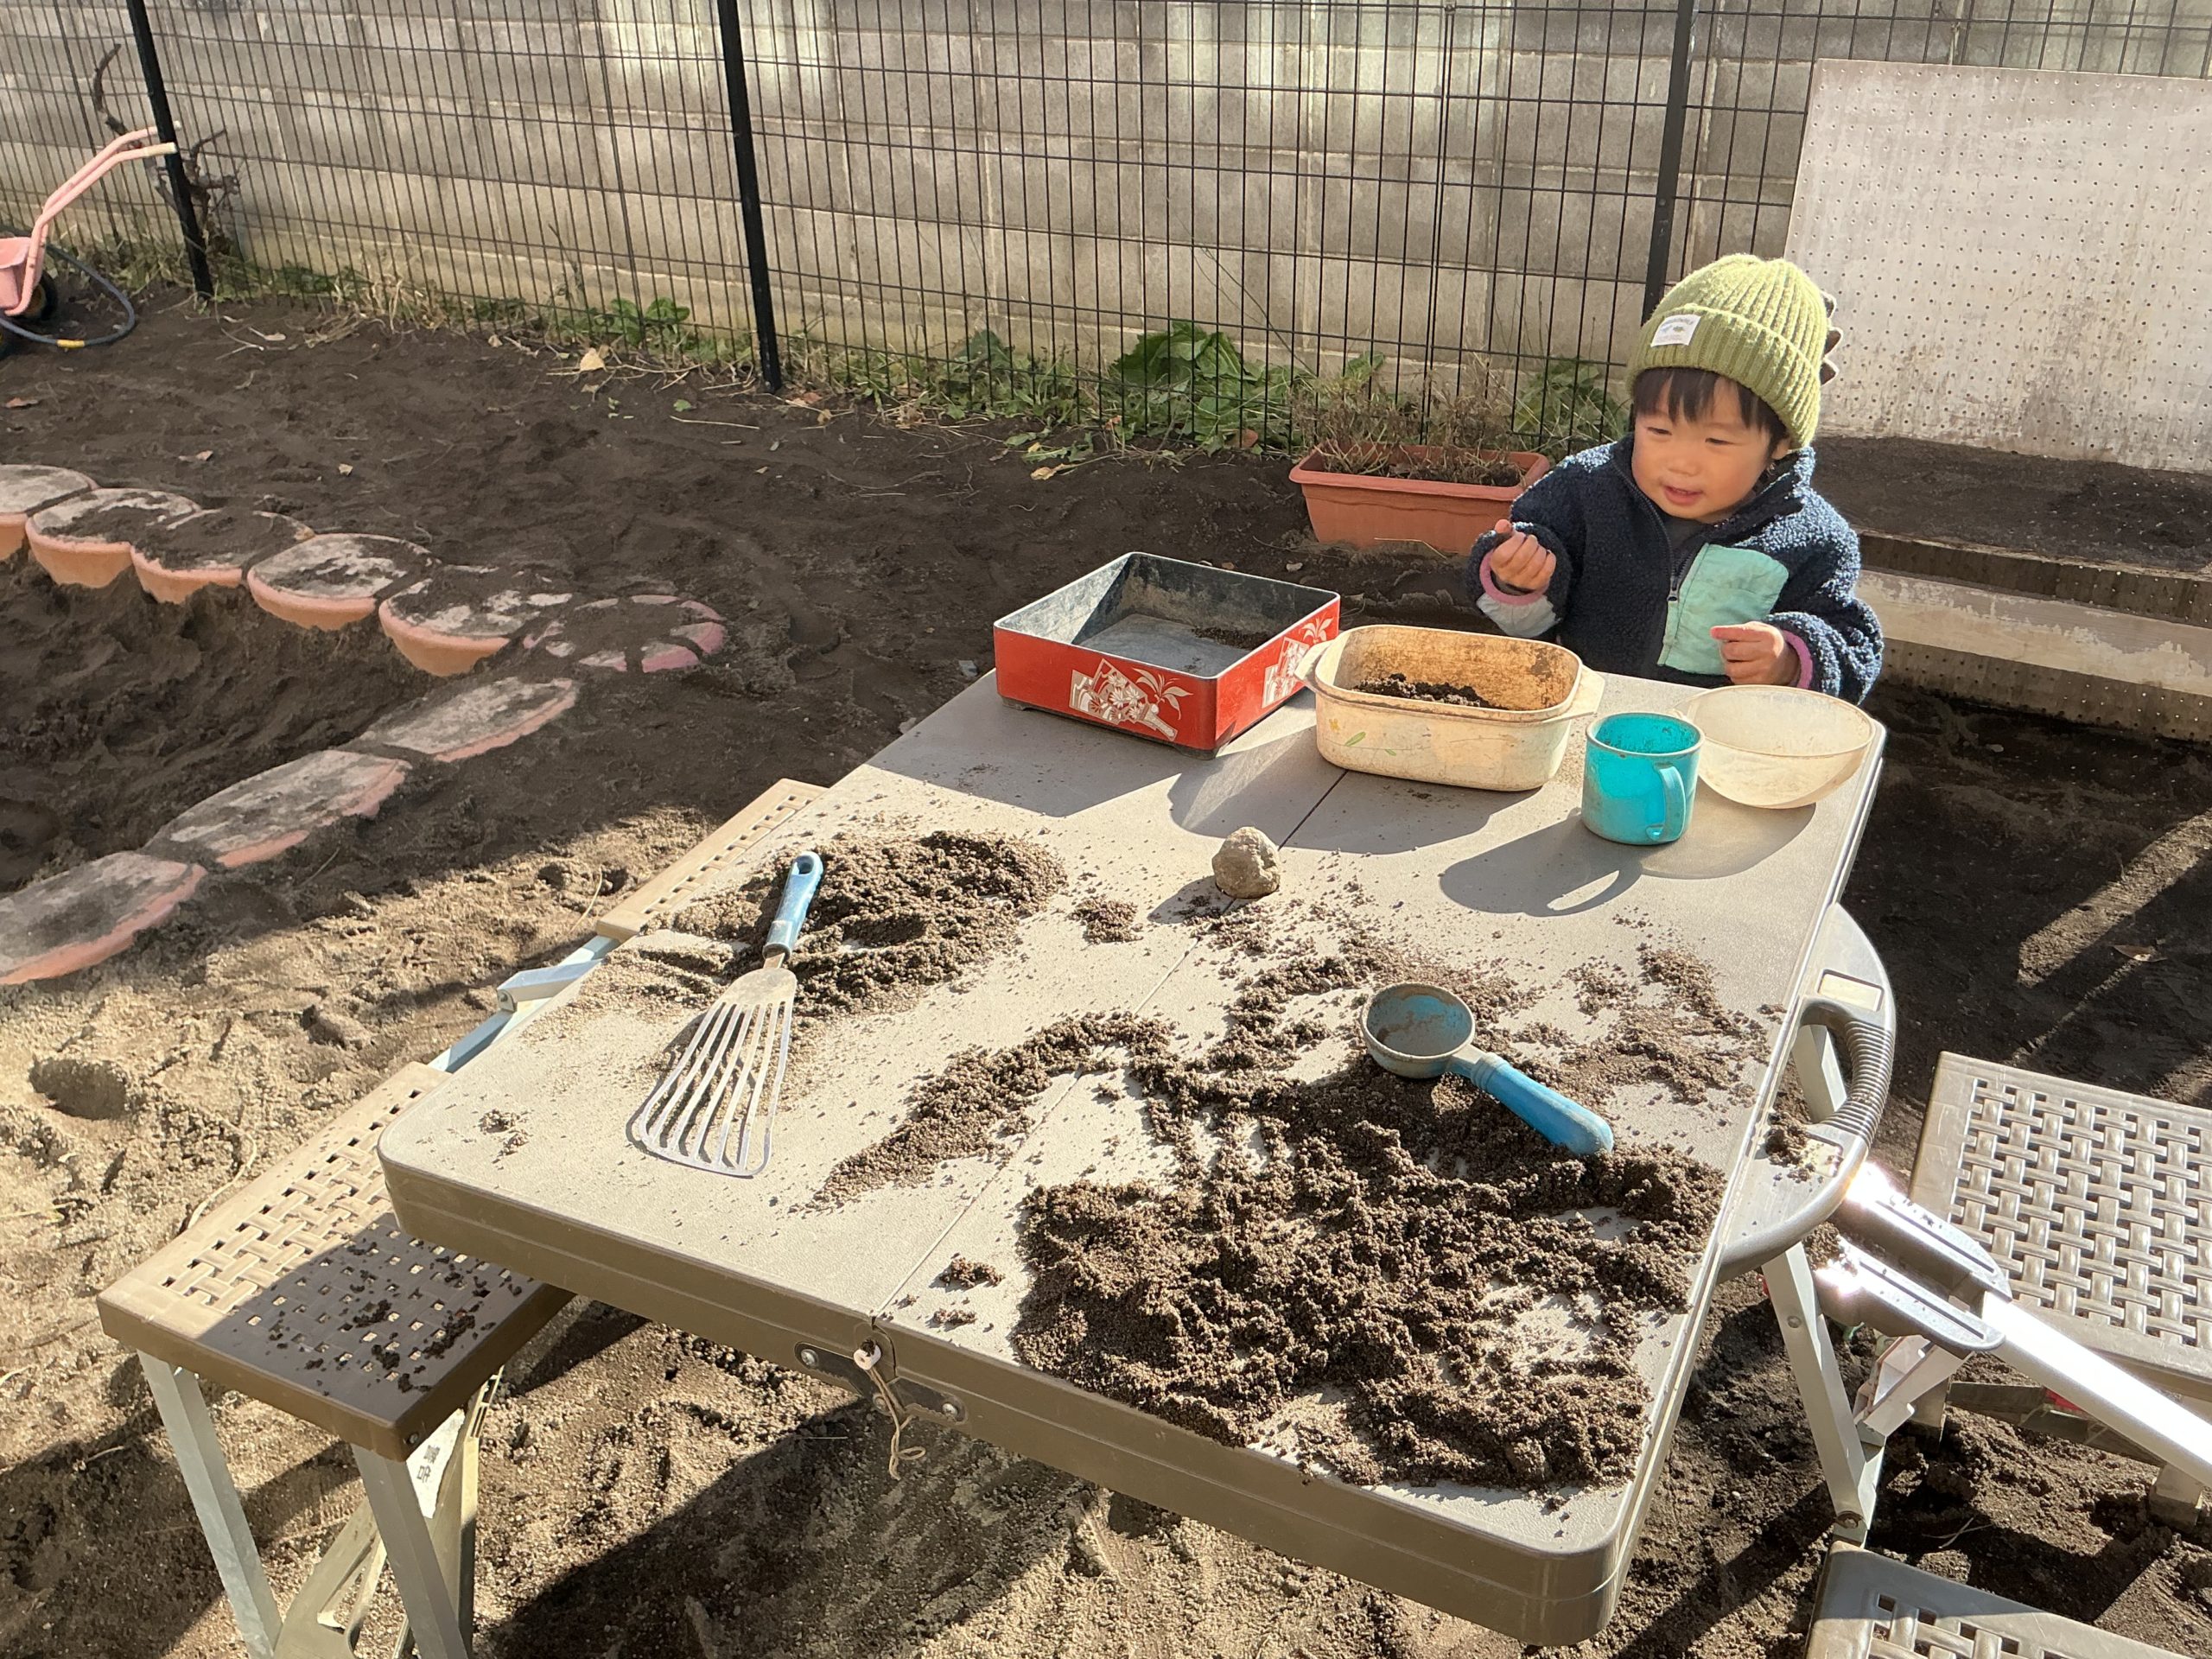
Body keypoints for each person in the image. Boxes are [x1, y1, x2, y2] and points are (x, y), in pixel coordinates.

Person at [1465, 255, 1883, 703]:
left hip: (1719, 733)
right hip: (1587, 713)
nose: (1681, 464)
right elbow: (1523, 621)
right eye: (1659, 431)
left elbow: (1853, 643)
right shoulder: (1586, 488)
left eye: (1717, 440)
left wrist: (1790, 661)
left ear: (1780, 442)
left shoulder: (1813, 539)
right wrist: (1518, 579)